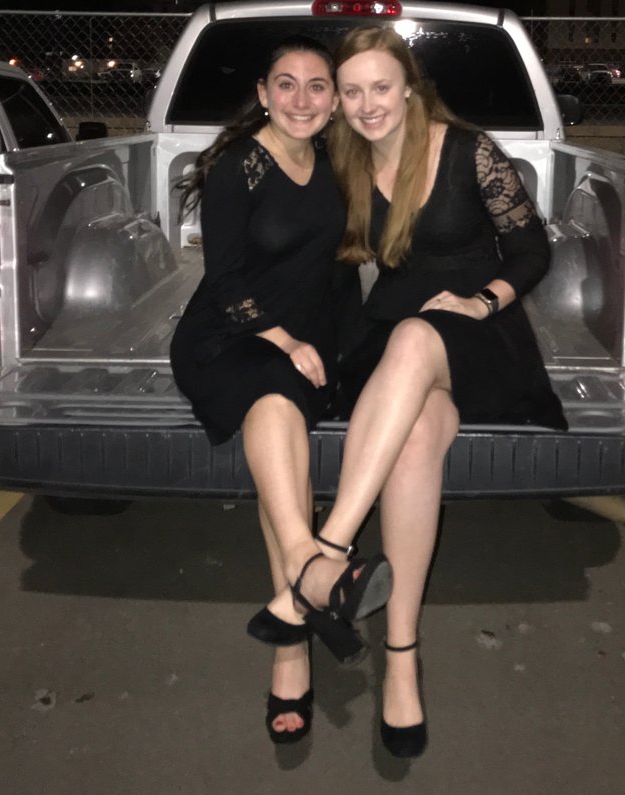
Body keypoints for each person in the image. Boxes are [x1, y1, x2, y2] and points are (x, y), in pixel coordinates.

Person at [254, 26, 566, 759]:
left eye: (381, 88)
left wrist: (481, 301)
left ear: (410, 89)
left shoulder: (468, 150)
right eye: (352, 91)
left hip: (479, 337)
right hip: (394, 345)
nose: (367, 105)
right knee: (419, 431)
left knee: (420, 335)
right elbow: (306, 246)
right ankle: (401, 656)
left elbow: (532, 248)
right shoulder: (344, 159)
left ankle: (327, 552)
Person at [169, 35, 392, 747]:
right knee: (273, 394)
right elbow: (225, 279)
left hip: (310, 343)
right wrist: (286, 341)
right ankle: (305, 582)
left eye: (317, 85)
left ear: (334, 100)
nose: (302, 98)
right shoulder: (239, 167)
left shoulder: (337, 163)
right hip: (230, 336)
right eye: (285, 84)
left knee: (283, 426)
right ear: (263, 94)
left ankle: (298, 600)